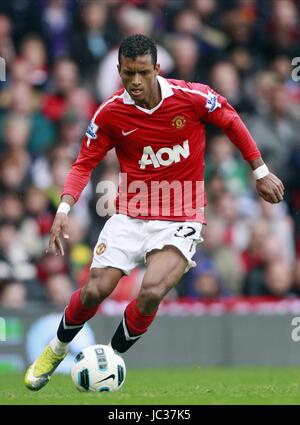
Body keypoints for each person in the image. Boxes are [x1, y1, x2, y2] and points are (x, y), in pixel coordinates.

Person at [24, 34, 284, 391]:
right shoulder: (111, 112)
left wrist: (260, 171)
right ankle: (56, 349)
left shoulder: (191, 97)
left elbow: (231, 120)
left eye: (142, 72)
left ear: (157, 69)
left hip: (182, 214)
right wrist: (64, 207)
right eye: (128, 73)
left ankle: (109, 360)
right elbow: (84, 163)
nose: (134, 81)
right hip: (131, 214)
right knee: (95, 291)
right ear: (118, 70)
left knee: (151, 290)